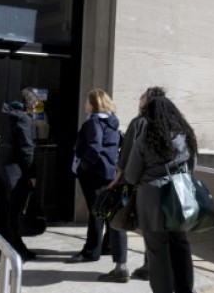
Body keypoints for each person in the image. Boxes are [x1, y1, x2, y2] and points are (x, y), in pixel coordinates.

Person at [125, 96, 198, 293]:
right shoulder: (186, 133)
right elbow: (192, 168)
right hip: (180, 198)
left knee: (157, 252)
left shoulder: (147, 135)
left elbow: (131, 175)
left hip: (152, 200)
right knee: (181, 245)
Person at [66, 89, 129, 282]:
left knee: (97, 212)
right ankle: (108, 247)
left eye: (87, 101)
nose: (85, 104)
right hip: (110, 172)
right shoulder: (111, 121)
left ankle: (91, 251)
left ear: (94, 104)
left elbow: (94, 147)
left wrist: (81, 167)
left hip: (94, 174)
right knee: (108, 211)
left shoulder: (93, 121)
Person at [109, 85, 167, 280]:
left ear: (148, 100)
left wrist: (118, 178)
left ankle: (121, 266)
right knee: (151, 227)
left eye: (142, 96)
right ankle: (149, 265)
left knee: (119, 218)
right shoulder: (165, 124)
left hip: (131, 183)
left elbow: (126, 155)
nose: (139, 99)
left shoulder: (139, 122)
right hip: (157, 185)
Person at [0, 88, 38, 262]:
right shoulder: (23, 119)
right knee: (14, 211)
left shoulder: (6, 115)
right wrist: (32, 174)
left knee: (3, 208)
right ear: (30, 104)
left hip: (0, 167)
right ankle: (17, 249)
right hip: (14, 171)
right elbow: (27, 149)